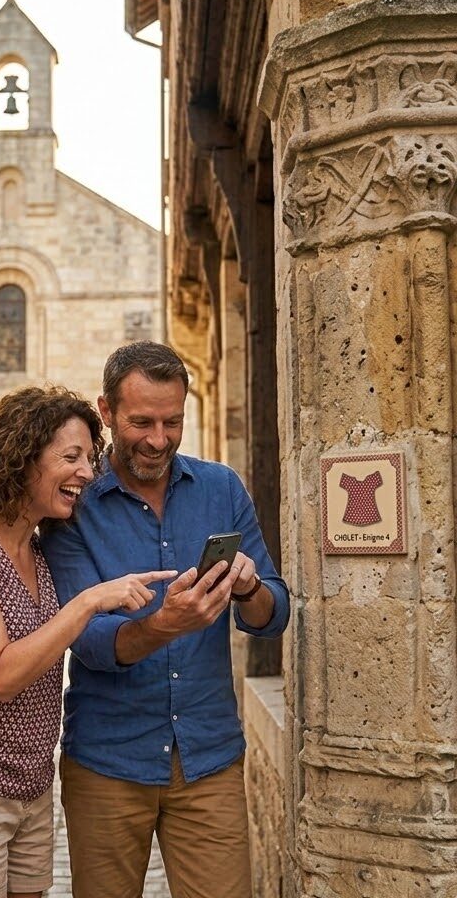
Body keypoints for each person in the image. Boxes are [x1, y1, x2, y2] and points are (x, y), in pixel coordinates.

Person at [0, 385, 177, 898]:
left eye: (89, 459)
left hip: (31, 789)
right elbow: (1, 674)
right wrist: (88, 602)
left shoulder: (39, 550)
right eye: (71, 458)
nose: (87, 473)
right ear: (22, 458)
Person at [40, 342, 291, 898]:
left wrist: (249, 588)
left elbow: (274, 613)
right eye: (142, 422)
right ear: (107, 412)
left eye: (172, 421)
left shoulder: (221, 488)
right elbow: (89, 641)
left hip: (209, 760)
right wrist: (166, 624)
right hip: (107, 764)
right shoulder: (73, 504)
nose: (158, 439)